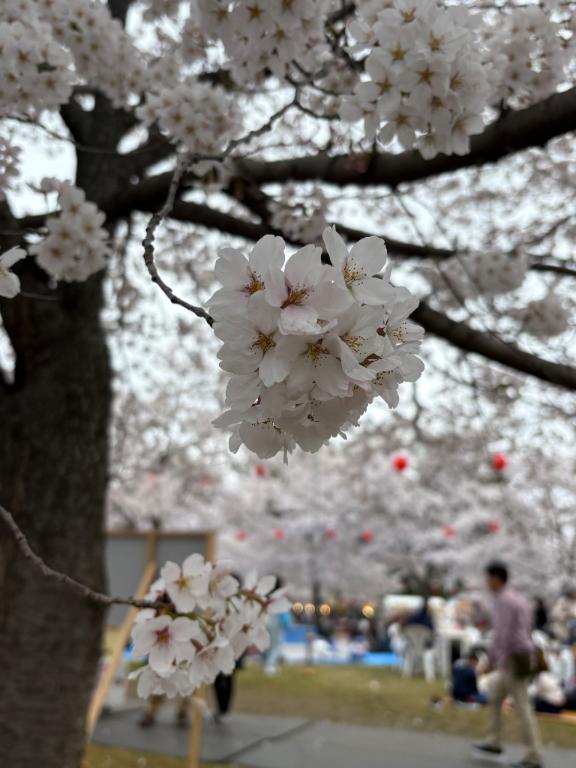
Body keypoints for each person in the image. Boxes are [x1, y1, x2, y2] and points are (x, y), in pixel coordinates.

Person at [473, 561, 544, 768]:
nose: (487, 583)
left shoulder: (504, 601)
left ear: (496, 578)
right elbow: (526, 629)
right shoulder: (518, 599)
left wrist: (490, 660)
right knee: (495, 695)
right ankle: (493, 741)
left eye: (488, 578)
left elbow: (502, 635)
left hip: (514, 658)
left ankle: (534, 757)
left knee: (522, 707)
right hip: (519, 655)